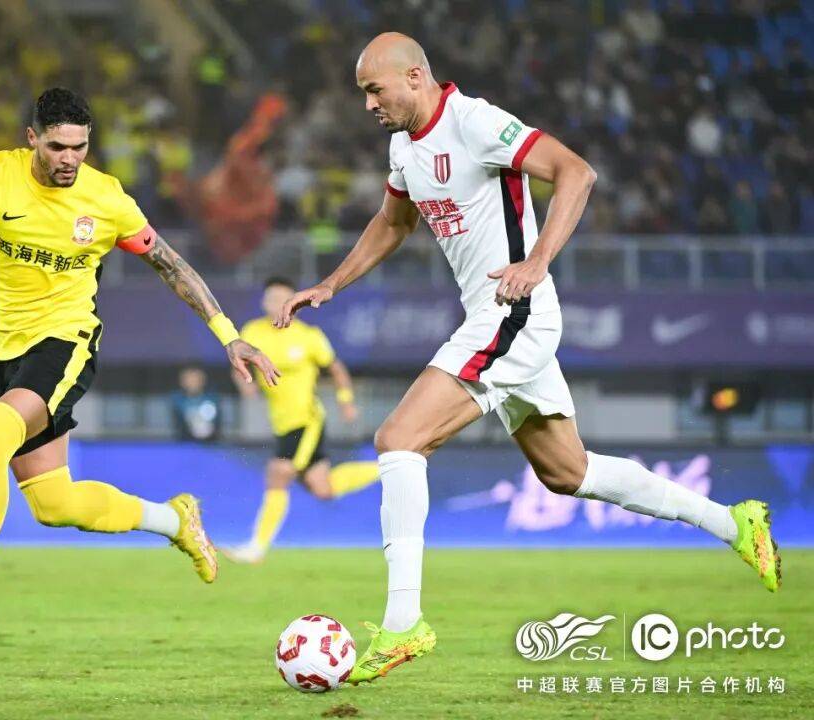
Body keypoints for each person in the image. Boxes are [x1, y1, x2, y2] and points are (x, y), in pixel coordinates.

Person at [276, 33, 781, 684]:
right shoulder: (404, 146)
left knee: (398, 439)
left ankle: (404, 623)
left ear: (414, 76)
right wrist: (330, 284)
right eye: (363, 94)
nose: (368, 104)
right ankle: (734, 523)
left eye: (374, 90)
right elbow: (393, 223)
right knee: (568, 472)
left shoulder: (475, 122)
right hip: (495, 317)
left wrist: (538, 261)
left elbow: (577, 172)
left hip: (515, 311)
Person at [0, 88, 279, 643]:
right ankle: (176, 519)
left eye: (80, 147)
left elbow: (171, 265)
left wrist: (229, 336)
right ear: (32, 138)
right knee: (53, 503)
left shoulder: (107, 199)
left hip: (67, 340)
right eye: (57, 146)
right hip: (6, 349)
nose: (69, 159)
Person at [224, 277, 379, 564]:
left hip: (306, 420)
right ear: (263, 302)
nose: (276, 303)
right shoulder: (253, 331)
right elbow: (238, 363)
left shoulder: (309, 336)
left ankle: (256, 547)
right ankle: (387, 468)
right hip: (281, 422)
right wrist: (243, 381)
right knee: (322, 488)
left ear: (295, 303)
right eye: (271, 298)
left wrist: (346, 401)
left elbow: (336, 369)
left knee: (278, 473)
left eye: (283, 298)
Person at [170, 366, 221, 442]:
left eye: (196, 379)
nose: (193, 383)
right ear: (182, 382)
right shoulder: (176, 401)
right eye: (189, 379)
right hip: (184, 442)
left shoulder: (213, 399)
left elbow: (217, 424)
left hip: (211, 443)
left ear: (203, 380)